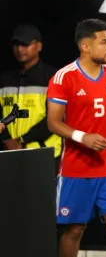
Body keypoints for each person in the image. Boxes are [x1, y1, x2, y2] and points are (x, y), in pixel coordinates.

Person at [46, 19, 106, 257]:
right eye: (104, 42)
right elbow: (53, 122)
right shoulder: (63, 77)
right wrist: (82, 137)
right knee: (74, 230)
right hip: (77, 170)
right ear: (85, 46)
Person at [0, 24, 62, 165]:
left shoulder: (53, 77)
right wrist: (7, 140)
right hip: (10, 154)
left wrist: (22, 140)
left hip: (44, 155)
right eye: (16, 44)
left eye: (25, 44)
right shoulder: (5, 80)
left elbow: (57, 118)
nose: (20, 49)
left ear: (39, 46)